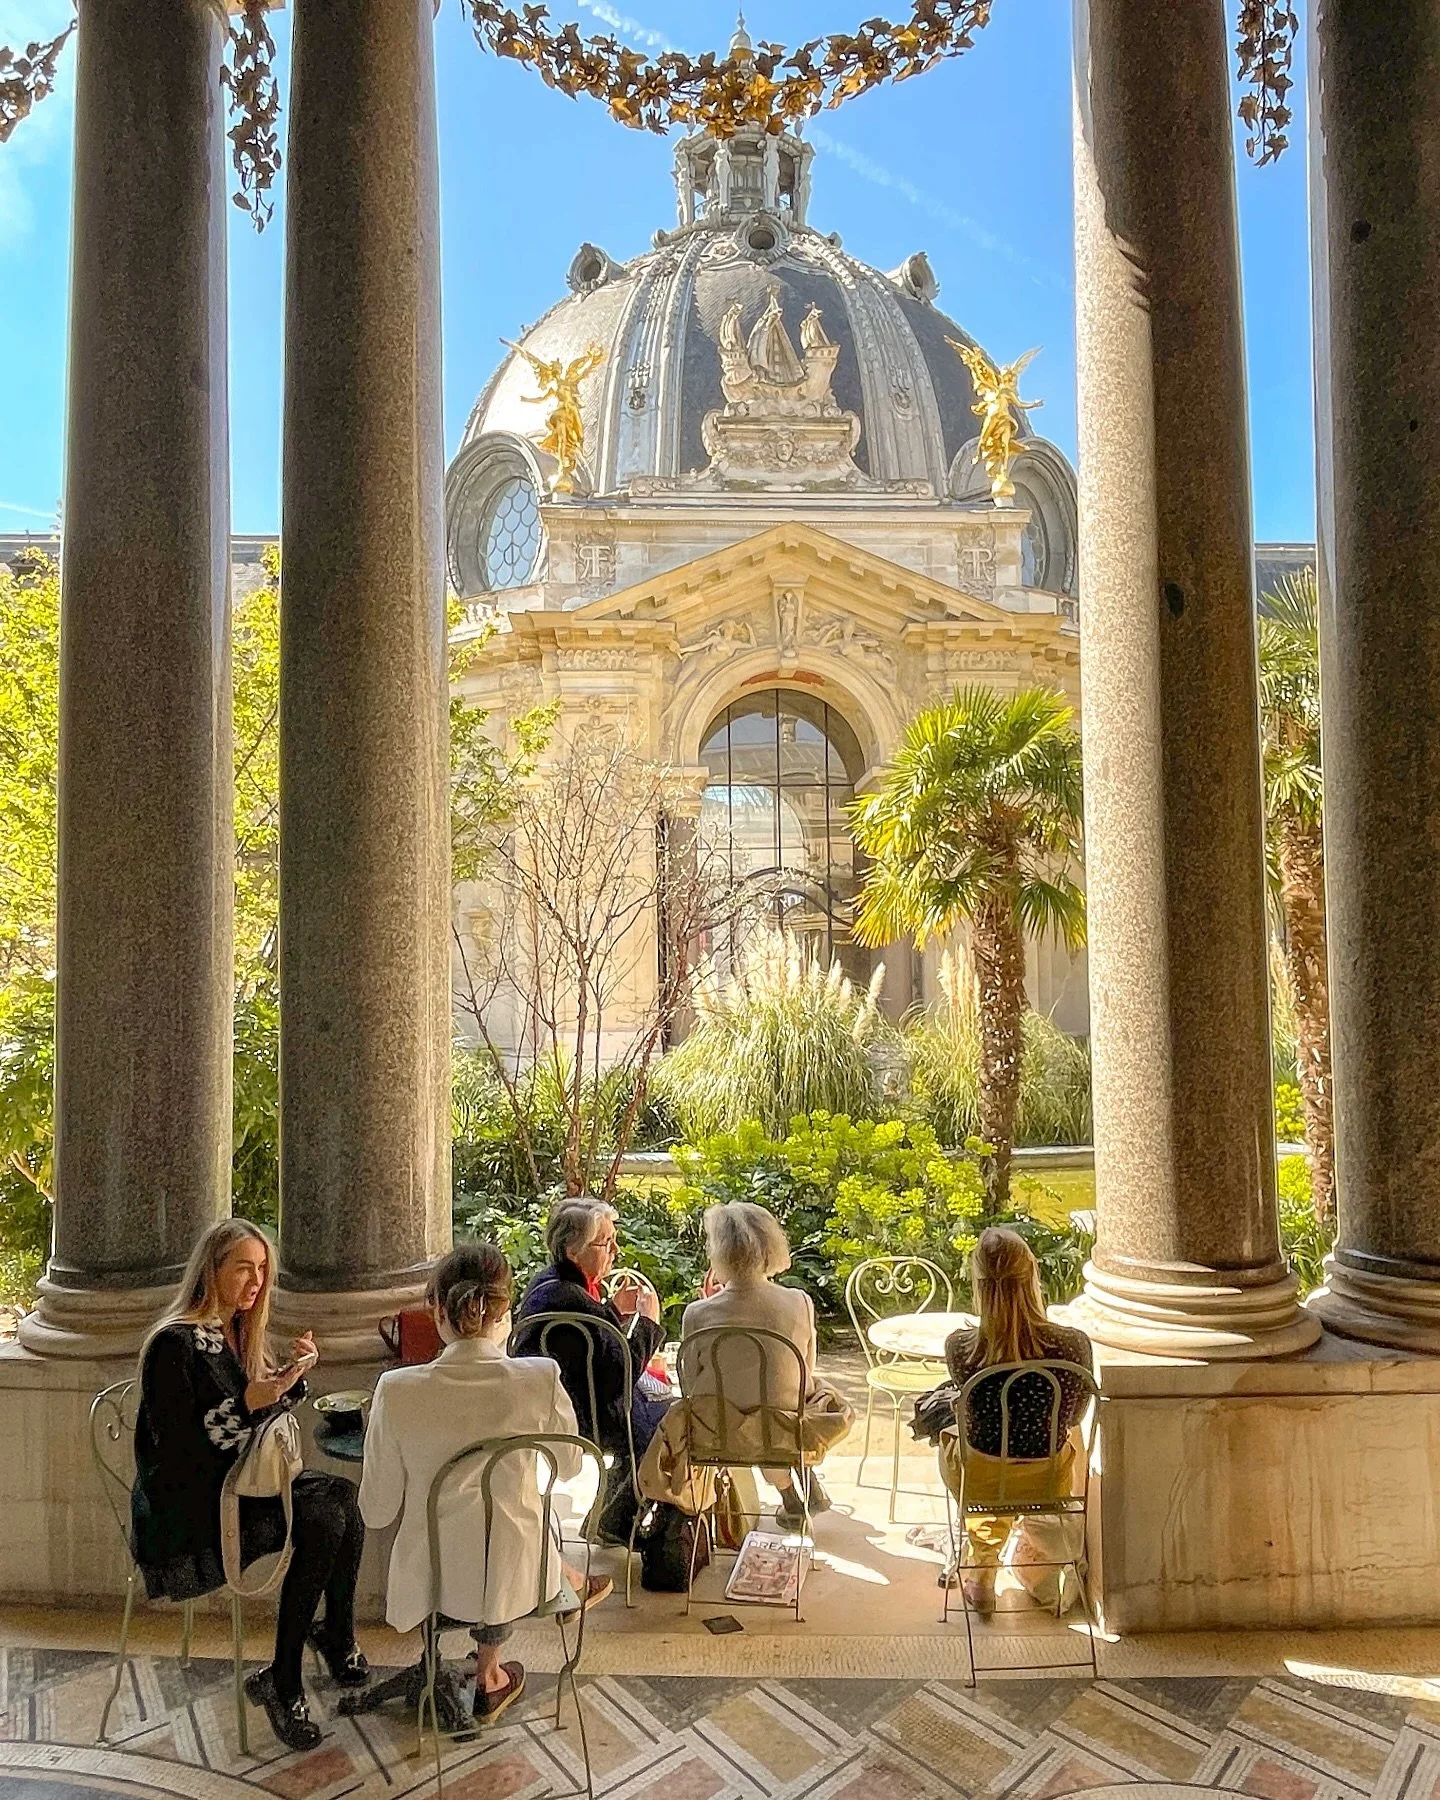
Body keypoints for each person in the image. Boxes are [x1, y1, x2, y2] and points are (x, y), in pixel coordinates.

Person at [131, 1219, 368, 1752]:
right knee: (323, 1515)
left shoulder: (235, 1334)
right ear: (211, 1270)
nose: (256, 1281)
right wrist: (250, 1402)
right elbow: (180, 1455)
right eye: (244, 1268)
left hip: (235, 1489)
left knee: (342, 1499)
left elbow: (247, 1425)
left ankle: (332, 1635)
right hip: (190, 1512)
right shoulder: (176, 1344)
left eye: (262, 1270)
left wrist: (288, 1380)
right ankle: (285, 1681)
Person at [358, 1242, 610, 1722]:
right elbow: (571, 1465)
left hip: (431, 1579)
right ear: (504, 1311)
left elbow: (377, 1511)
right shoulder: (539, 1377)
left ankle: (453, 1671)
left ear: (435, 1308)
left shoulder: (398, 1389)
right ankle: (500, 1662)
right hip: (521, 1578)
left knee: (476, 1526)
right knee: (523, 1514)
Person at [940, 1227, 1094, 1615]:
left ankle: (983, 1565)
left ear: (978, 1283)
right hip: (1048, 1474)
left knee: (951, 1436)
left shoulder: (960, 1348)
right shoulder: (1073, 1343)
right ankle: (1017, 1552)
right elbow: (1075, 1415)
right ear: (1032, 1277)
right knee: (1063, 1441)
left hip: (984, 1478)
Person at [673, 1202, 852, 1529]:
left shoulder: (698, 1313)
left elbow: (688, 1381)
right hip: (786, 1429)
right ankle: (803, 1486)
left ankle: (793, 1497)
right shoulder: (799, 1301)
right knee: (788, 1403)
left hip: (718, 1434)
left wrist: (710, 1302)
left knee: (740, 1411)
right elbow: (805, 1373)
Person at [512, 1199, 666, 1539]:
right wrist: (648, 1325)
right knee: (672, 1422)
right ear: (573, 1251)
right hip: (584, 1419)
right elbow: (618, 1375)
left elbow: (589, 1352)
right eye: (604, 1242)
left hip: (556, 1406)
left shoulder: (549, 1284)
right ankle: (617, 1518)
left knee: (655, 1408)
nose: (615, 1250)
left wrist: (612, 1309)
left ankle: (610, 1516)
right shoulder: (574, 1302)